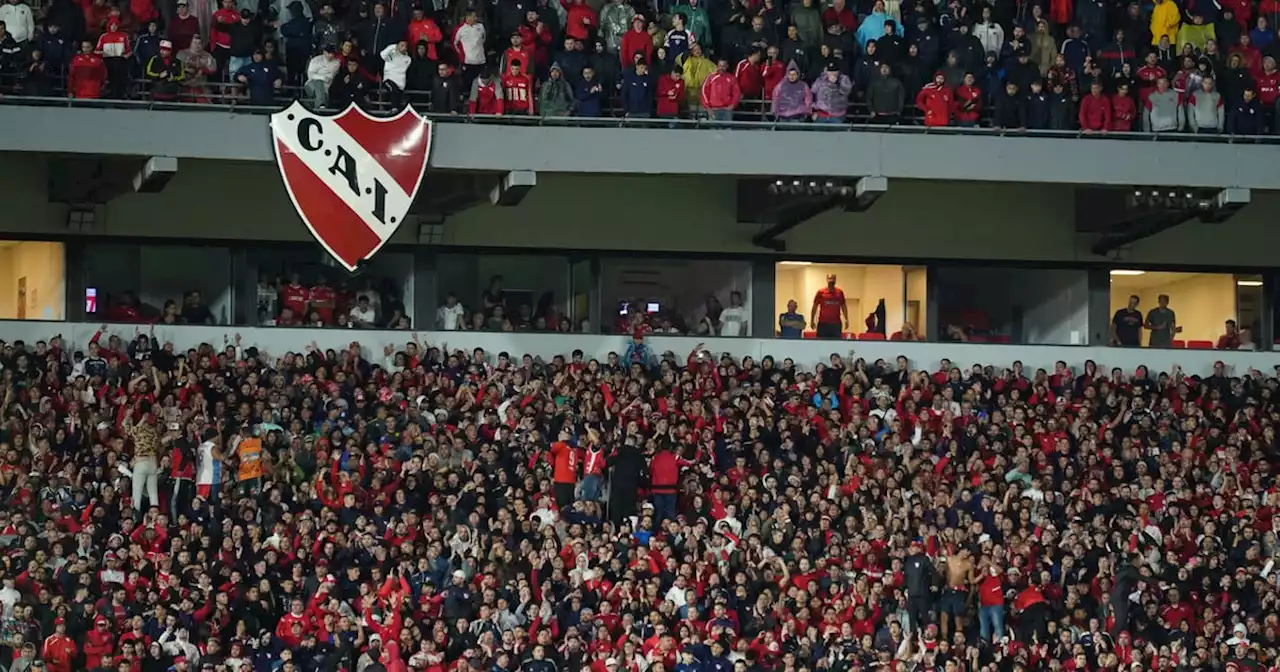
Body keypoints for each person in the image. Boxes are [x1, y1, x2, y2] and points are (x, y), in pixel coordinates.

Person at [810, 273, 848, 338]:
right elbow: (814, 307)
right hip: (823, 324)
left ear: (835, 280)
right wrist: (812, 320)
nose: (831, 280)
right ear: (827, 280)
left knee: (836, 344)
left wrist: (846, 319)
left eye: (833, 279)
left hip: (836, 324)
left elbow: (843, 306)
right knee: (821, 344)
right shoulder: (820, 292)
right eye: (830, 278)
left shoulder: (840, 292)